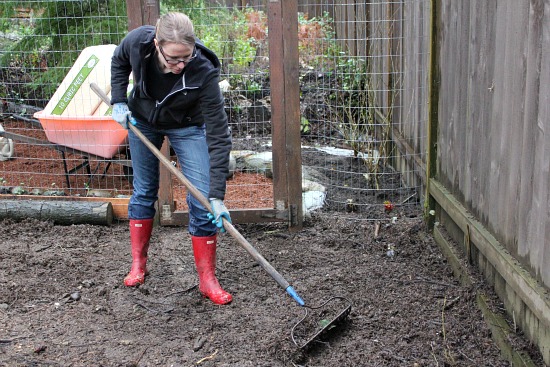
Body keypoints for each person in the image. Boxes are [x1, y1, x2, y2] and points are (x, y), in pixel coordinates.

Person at [110, 12, 233, 305]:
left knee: (202, 199)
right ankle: (139, 264)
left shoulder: (203, 70)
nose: (179, 66)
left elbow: (218, 135)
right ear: (156, 44)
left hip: (188, 126)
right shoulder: (138, 42)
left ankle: (207, 279)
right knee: (143, 192)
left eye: (185, 58)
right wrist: (118, 100)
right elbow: (119, 60)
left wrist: (216, 195)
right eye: (173, 59)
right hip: (142, 122)